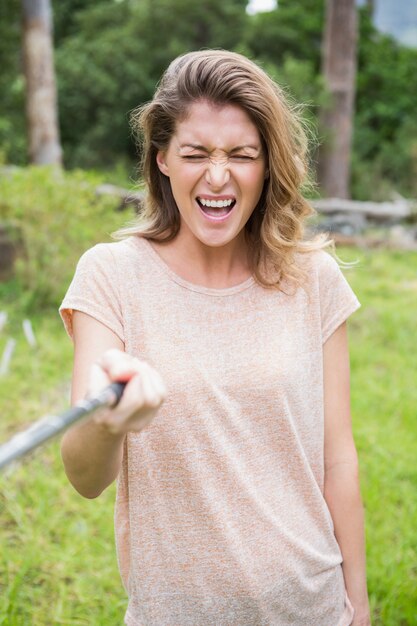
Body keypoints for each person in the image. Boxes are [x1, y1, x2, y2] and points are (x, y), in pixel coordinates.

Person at [60, 50, 371, 626]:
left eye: (242, 155)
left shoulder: (312, 278)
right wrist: (107, 424)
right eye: (196, 153)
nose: (218, 175)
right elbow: (85, 478)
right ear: (162, 162)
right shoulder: (111, 276)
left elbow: (338, 459)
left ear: (267, 165)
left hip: (311, 604)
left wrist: (358, 602)